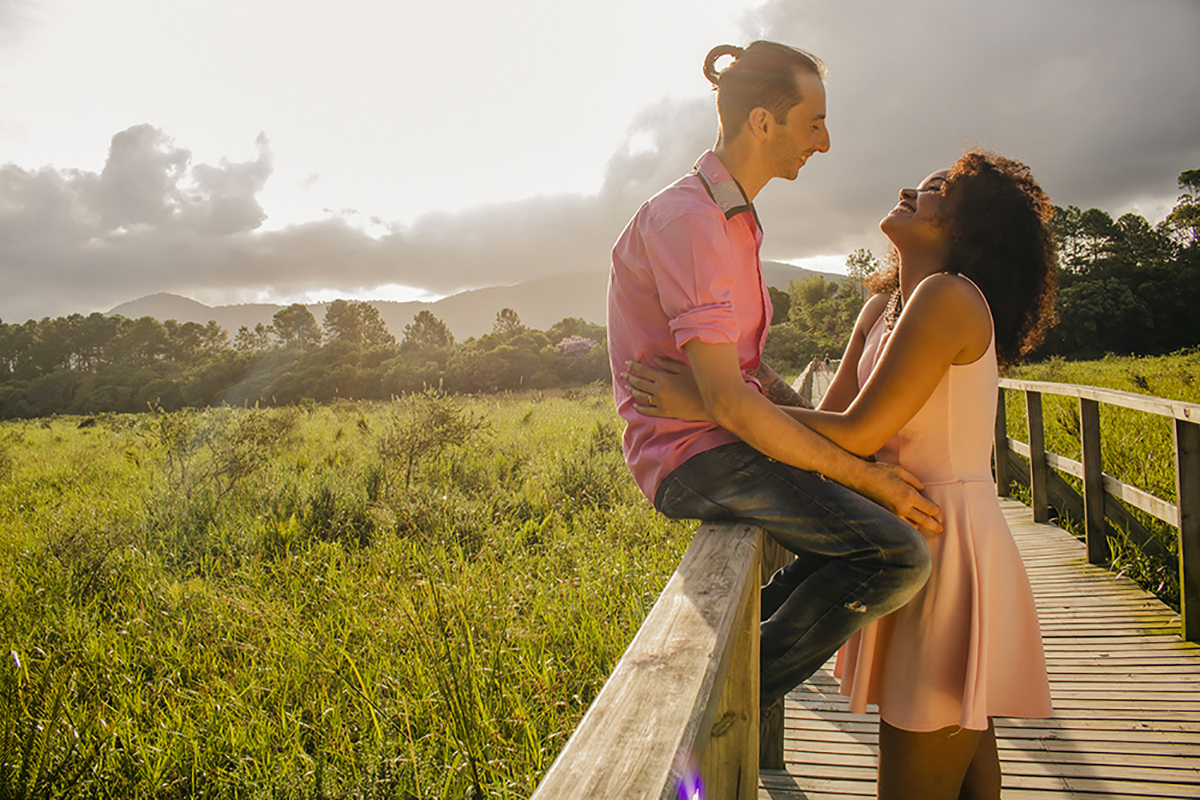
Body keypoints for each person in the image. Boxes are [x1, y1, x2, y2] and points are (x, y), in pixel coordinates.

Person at [625, 149, 1057, 799]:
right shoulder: (885, 307)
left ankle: (726, 688)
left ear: (969, 226)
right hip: (904, 527)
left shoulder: (949, 298)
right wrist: (750, 387)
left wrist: (711, 401)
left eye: (939, 189)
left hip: (948, 545)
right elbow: (822, 422)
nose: (913, 187)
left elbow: (859, 433)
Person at [606, 40, 940, 717]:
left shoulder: (730, 216)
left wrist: (849, 451)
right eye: (813, 121)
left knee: (863, 537)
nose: (824, 140)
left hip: (719, 443)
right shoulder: (692, 222)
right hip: (695, 456)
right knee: (896, 556)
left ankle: (722, 669)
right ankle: (712, 708)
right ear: (763, 122)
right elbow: (730, 403)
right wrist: (866, 475)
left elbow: (748, 376)